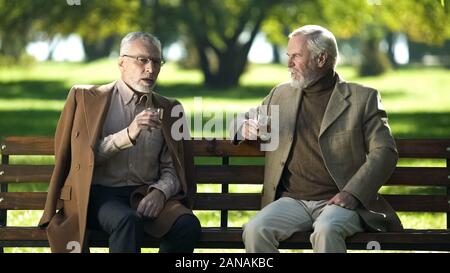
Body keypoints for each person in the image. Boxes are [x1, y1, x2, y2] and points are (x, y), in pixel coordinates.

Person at [231, 25, 403, 253]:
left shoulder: (363, 98)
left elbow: (385, 152)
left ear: (321, 58)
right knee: (255, 230)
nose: (288, 64)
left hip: (340, 202)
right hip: (293, 201)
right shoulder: (281, 94)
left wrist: (353, 194)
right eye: (288, 56)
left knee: (326, 229)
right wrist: (243, 126)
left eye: (296, 56)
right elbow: (240, 120)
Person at [39, 32, 201, 253]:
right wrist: (128, 135)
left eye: (156, 62)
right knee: (128, 221)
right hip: (97, 194)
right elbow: (82, 161)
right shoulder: (88, 101)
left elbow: (172, 168)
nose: (150, 69)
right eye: (142, 60)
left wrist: (160, 193)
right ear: (121, 62)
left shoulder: (170, 110)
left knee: (187, 225)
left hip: (144, 193)